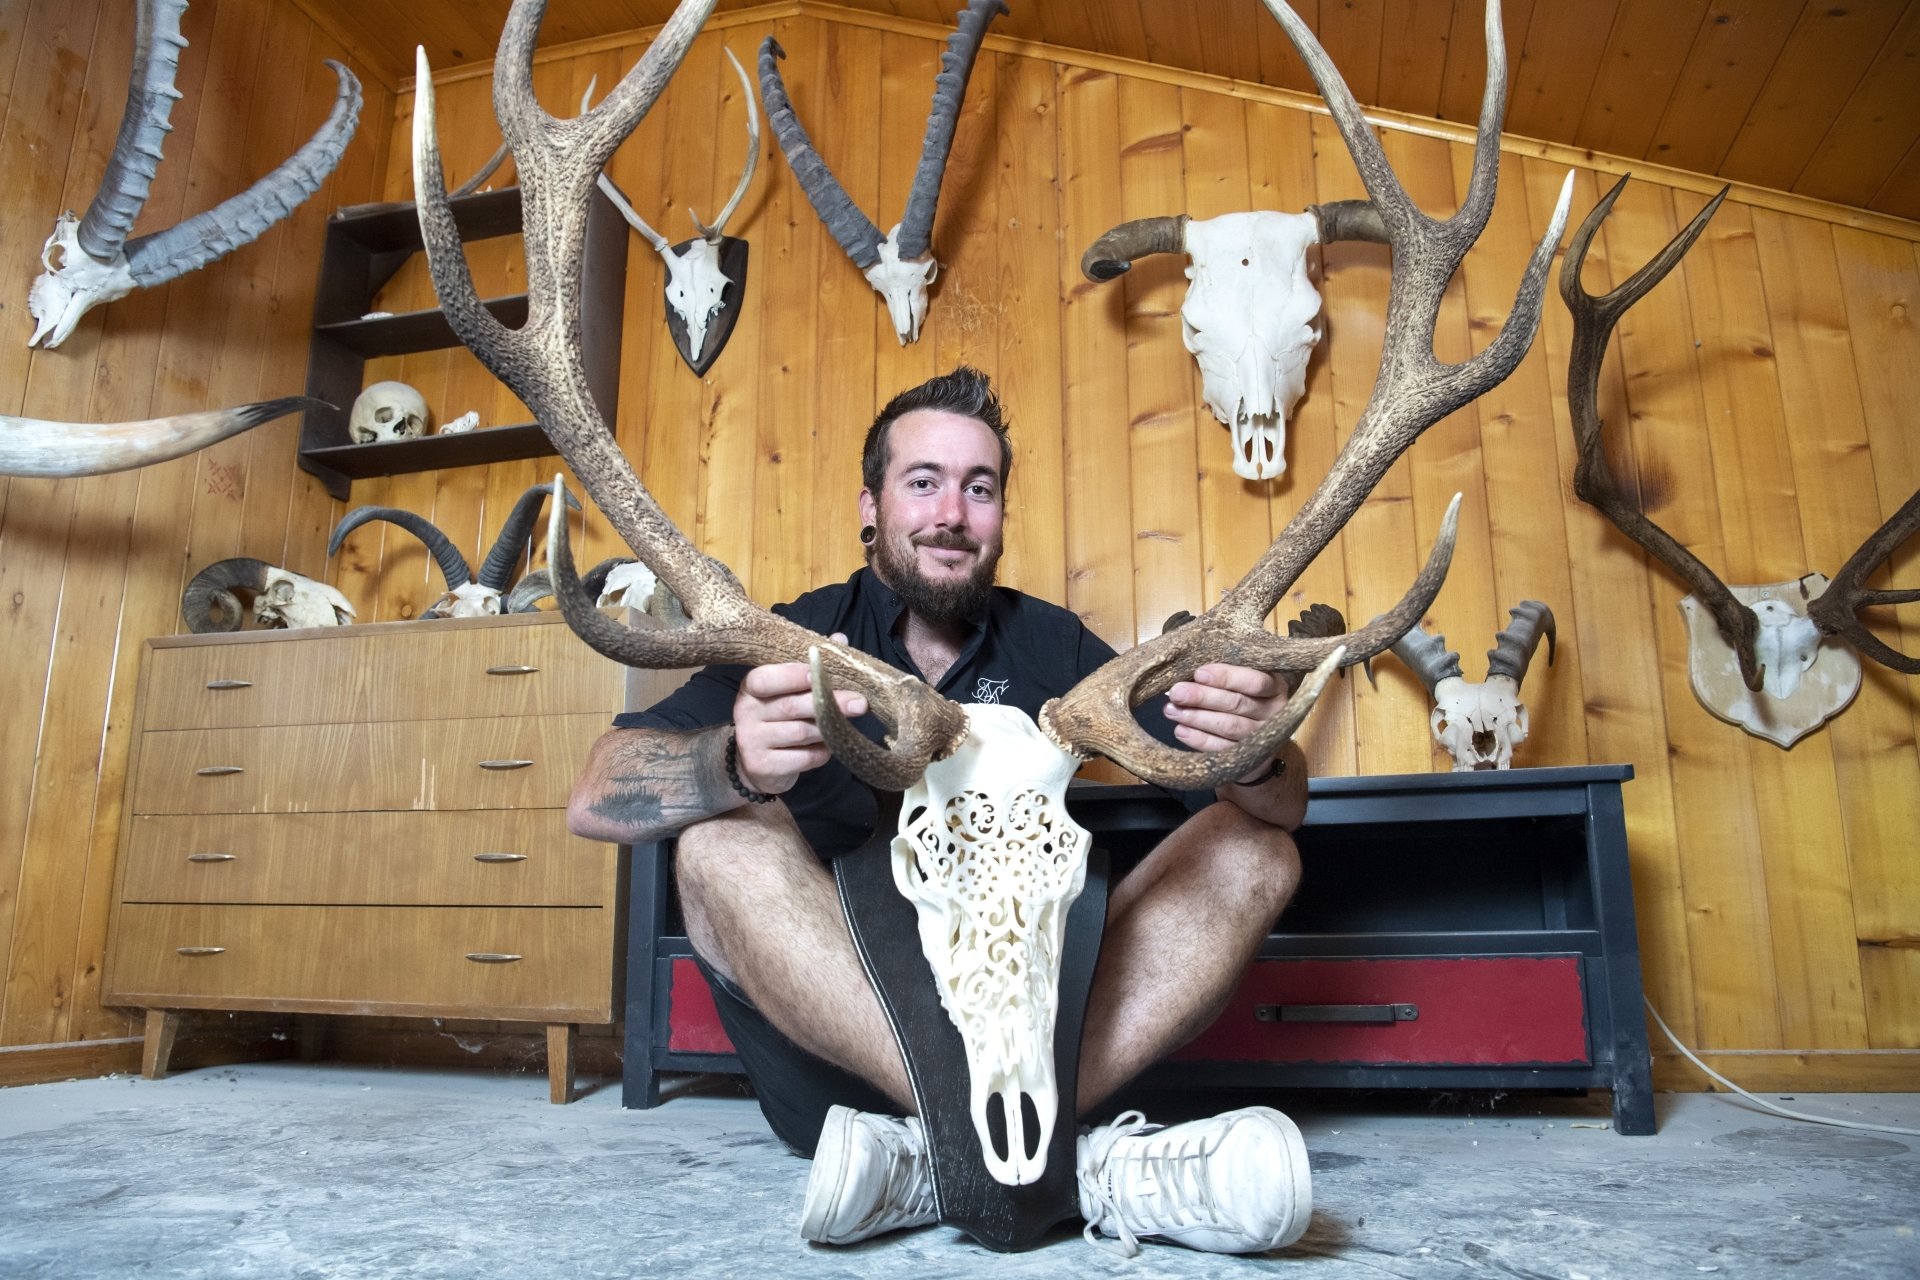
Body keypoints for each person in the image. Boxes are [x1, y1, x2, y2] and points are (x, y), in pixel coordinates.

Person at [569, 367, 1314, 1256]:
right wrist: (733, 758)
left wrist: (1258, 748)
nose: (952, 513)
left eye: (980, 487)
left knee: (1257, 851)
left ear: (1001, 514)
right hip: (842, 1057)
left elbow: (1278, 809)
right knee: (716, 844)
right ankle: (1073, 1165)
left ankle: (931, 1162)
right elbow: (596, 793)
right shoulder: (796, 636)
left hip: (1034, 1036)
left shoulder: (1057, 647)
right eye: (922, 482)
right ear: (871, 507)